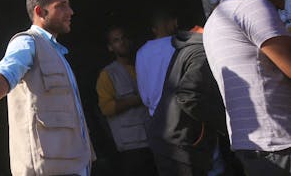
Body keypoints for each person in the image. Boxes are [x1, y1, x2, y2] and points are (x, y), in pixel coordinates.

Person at [0, 0, 92, 176]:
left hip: (72, 164)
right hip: (48, 169)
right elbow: (6, 70)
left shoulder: (56, 53)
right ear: (40, 11)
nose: (70, 11)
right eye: (61, 6)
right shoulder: (27, 42)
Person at [204, 0, 291, 175]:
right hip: (280, 143)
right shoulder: (253, 5)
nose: (282, 6)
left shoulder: (215, 18)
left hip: (252, 146)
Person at [147, 25, 229, 176]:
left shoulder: (187, 49)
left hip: (172, 141)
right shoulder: (200, 53)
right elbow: (188, 97)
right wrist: (224, 124)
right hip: (180, 144)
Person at [96, 26, 155, 174]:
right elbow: (106, 108)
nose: (122, 42)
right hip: (132, 146)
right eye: (116, 40)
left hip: (154, 138)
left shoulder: (142, 64)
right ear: (110, 47)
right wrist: (135, 100)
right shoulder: (108, 74)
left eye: (124, 38)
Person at [136, 10, 179, 116]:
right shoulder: (179, 44)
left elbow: (144, 95)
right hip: (182, 110)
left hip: (158, 117)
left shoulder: (141, 53)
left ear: (154, 29)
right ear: (173, 23)